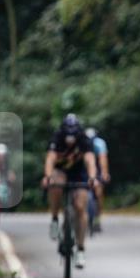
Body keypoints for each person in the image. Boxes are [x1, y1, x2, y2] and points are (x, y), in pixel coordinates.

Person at [42, 114, 98, 268]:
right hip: (61, 172)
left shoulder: (83, 139)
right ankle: (54, 218)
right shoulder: (57, 138)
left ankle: (80, 249)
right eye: (68, 135)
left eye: (73, 136)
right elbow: (50, 159)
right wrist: (47, 176)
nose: (70, 139)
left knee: (81, 207)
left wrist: (93, 177)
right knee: (55, 182)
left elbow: (90, 160)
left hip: (79, 174)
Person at [85, 127, 110, 231]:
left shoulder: (100, 143)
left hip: (97, 168)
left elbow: (103, 159)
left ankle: (97, 218)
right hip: (84, 168)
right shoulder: (83, 143)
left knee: (98, 192)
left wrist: (104, 173)